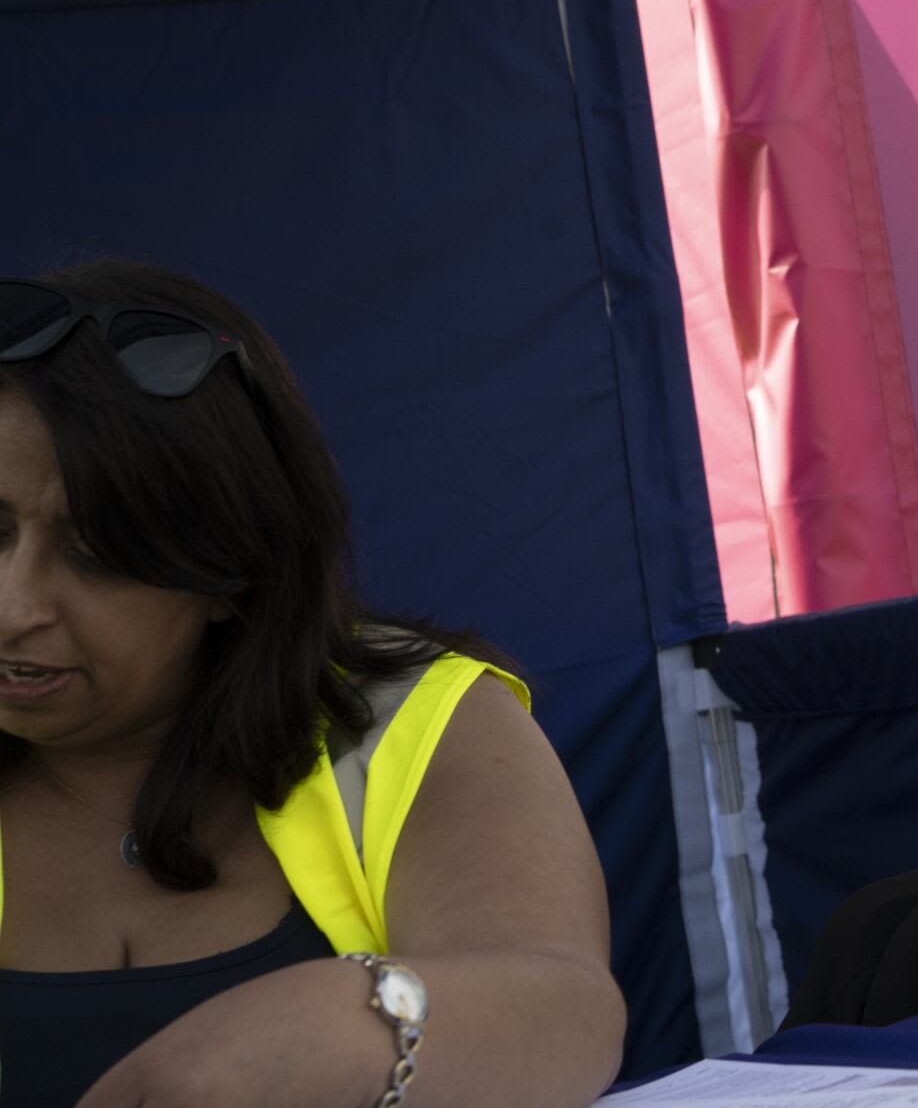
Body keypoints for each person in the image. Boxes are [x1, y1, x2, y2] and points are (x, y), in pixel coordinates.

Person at [0, 261, 624, 1107]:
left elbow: (568, 1013)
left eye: (97, 553)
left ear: (232, 571)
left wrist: (351, 1019)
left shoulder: (415, 720)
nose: (14, 607)